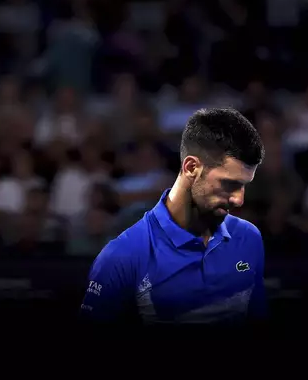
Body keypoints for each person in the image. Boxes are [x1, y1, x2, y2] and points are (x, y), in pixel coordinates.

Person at [79, 108, 266, 325]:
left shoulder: (249, 237)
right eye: (228, 183)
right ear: (191, 167)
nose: (238, 200)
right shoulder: (122, 255)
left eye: (243, 185)